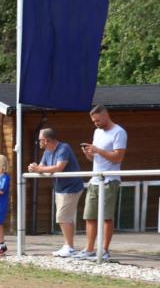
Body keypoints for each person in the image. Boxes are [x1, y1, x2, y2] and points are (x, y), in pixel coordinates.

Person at [77, 105, 127, 261]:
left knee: (106, 217)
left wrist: (98, 150)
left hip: (110, 180)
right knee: (90, 216)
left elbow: (118, 157)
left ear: (106, 116)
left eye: (98, 120)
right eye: (93, 121)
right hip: (94, 179)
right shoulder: (97, 132)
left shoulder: (119, 132)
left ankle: (104, 250)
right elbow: (95, 158)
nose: (96, 123)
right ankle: (90, 249)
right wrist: (89, 153)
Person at [29, 128, 85, 257]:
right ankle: (68, 245)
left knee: (63, 217)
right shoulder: (47, 151)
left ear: (46, 140)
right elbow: (42, 166)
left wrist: (39, 168)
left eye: (40, 140)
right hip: (60, 188)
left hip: (71, 187)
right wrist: (35, 167)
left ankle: (69, 247)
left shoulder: (64, 148)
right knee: (64, 218)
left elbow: (59, 167)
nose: (39, 142)